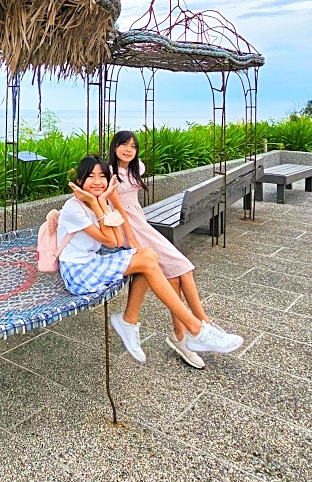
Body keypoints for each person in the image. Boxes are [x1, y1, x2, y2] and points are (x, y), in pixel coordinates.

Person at [58, 154, 243, 363]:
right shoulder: (74, 207)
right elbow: (109, 241)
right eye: (91, 177)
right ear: (80, 181)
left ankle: (130, 320)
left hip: (91, 263)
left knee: (150, 255)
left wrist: (100, 203)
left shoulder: (99, 204)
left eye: (102, 176)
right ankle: (196, 329)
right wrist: (96, 201)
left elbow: (118, 240)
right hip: (77, 271)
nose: (98, 182)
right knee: (147, 260)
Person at [104, 130, 222, 369]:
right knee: (183, 268)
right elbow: (116, 209)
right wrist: (132, 240)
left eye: (133, 146)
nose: (128, 150)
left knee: (177, 276)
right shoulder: (108, 173)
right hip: (129, 228)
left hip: (141, 223)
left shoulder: (138, 167)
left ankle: (181, 336)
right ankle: (202, 325)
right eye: (123, 145)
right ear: (114, 146)